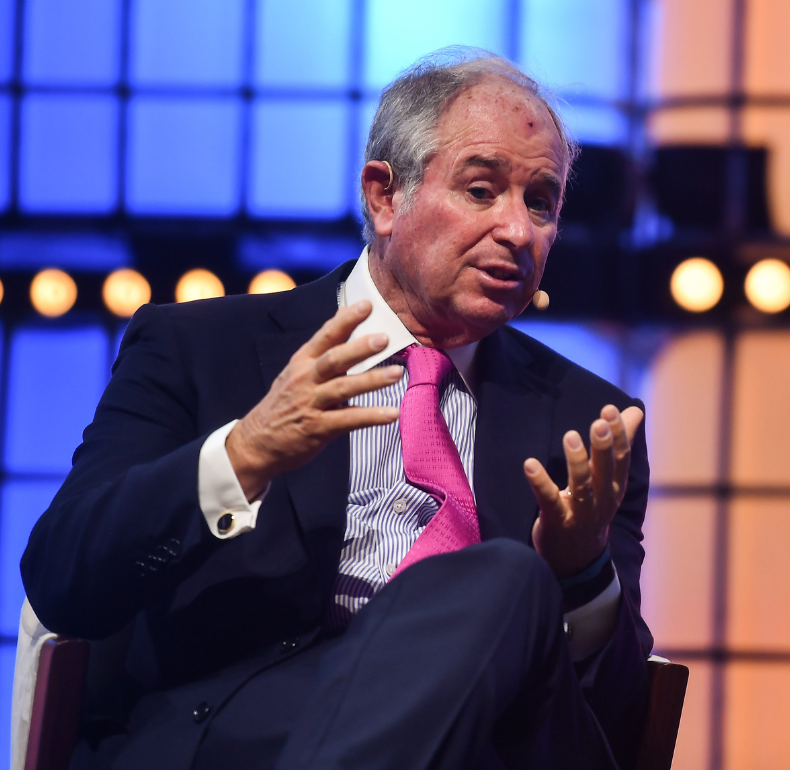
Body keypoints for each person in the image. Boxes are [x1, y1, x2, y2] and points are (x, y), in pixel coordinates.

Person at [21, 48, 652, 770]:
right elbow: (64, 579)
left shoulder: (589, 420)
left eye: (541, 202)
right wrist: (243, 456)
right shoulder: (201, 348)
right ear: (385, 197)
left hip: (484, 742)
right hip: (246, 737)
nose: (518, 230)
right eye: (482, 190)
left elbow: (622, 722)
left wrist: (579, 576)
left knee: (506, 578)